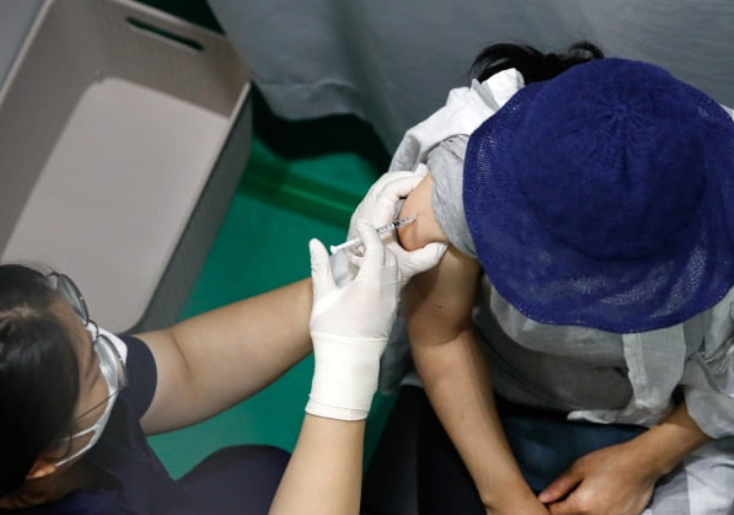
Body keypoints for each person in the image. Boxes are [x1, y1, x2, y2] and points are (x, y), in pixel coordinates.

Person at [357, 43, 734, 515]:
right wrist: (507, 499)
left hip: (685, 413)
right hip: (500, 395)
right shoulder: (462, 185)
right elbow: (441, 334)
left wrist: (645, 461)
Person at [0, 176, 446, 515]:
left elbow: (188, 363)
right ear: (44, 460)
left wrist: (344, 276)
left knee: (258, 473)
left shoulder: (56, 391)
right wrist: (345, 376)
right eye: (91, 364)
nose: (109, 351)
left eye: (88, 329)